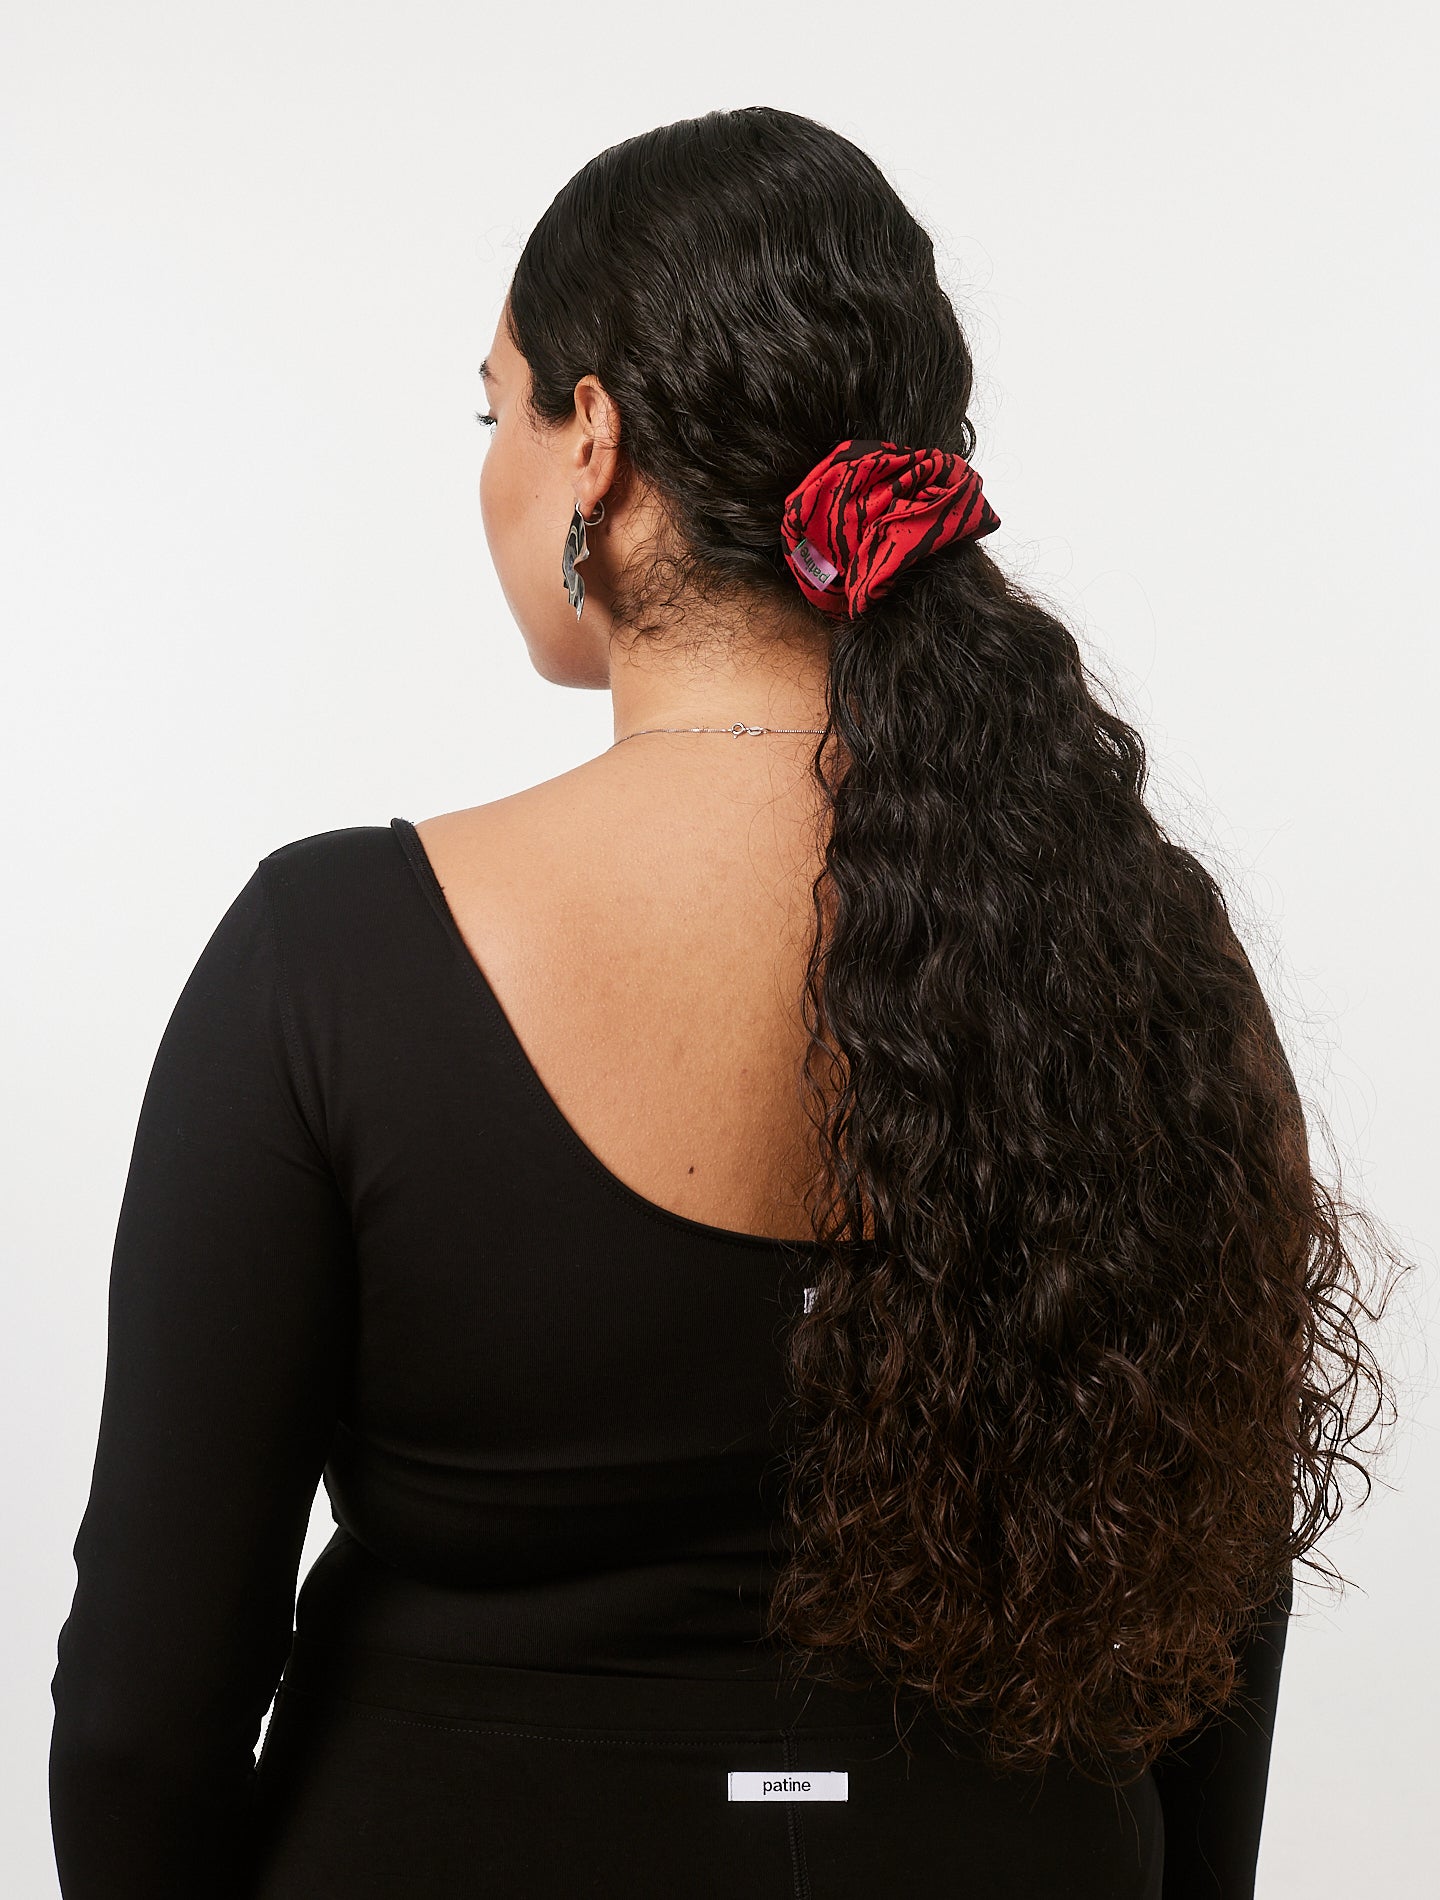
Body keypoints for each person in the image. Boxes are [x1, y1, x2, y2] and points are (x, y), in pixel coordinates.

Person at [49, 107, 1392, 1899]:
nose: (493, 466)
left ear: (592, 442)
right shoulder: (1151, 954)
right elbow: (1205, 1632)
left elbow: (141, 1720)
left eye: (495, 412)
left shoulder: (333, 955)